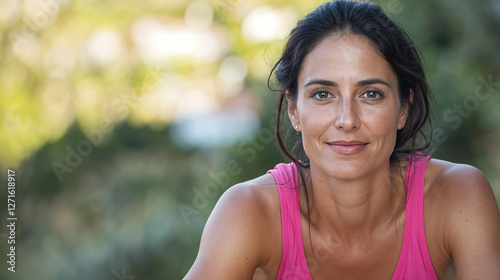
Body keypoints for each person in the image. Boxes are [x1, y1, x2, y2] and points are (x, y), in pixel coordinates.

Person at [184, 1, 500, 279]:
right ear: (293, 110)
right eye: (323, 94)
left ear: (403, 108)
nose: (347, 119)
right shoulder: (250, 213)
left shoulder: (457, 197)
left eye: (371, 94)